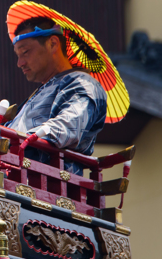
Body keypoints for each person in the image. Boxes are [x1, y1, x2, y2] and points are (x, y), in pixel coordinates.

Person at [7, 16, 107, 173]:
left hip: (49, 180)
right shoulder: (41, 91)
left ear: (52, 43)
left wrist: (17, 141)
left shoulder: (83, 84)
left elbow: (68, 127)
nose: (20, 63)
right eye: (17, 55)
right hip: (16, 172)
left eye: (25, 52)